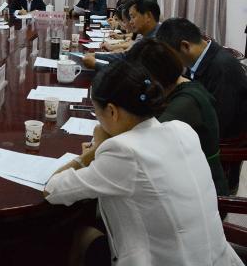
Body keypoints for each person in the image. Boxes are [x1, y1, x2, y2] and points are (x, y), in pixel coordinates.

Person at [44, 61, 241, 266]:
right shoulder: (182, 129)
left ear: (112, 111)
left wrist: (92, 153)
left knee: (77, 234)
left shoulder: (124, 151)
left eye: (97, 113)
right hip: (217, 259)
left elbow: (52, 190)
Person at [126, 39, 229, 195]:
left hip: (204, 192)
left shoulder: (186, 104)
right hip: (184, 179)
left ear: (153, 77)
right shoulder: (179, 86)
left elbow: (142, 146)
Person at [156, 18, 247, 140]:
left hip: (225, 138)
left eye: (170, 55)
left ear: (185, 46)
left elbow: (219, 123)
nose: (169, 61)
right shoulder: (196, 59)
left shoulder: (223, 68)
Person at [83, 0, 161, 68]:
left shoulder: (156, 41)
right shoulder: (147, 35)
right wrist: (95, 55)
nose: (130, 22)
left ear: (148, 16)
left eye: (133, 17)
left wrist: (96, 64)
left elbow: (131, 72)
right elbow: (126, 56)